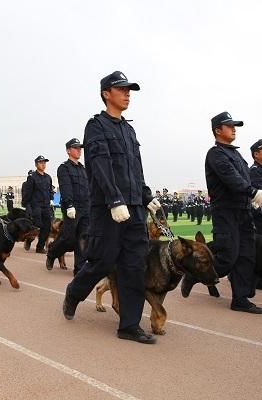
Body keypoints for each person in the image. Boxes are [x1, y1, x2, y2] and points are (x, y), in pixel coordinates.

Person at [62, 71, 162, 344]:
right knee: (103, 260)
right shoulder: (96, 126)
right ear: (107, 93)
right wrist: (115, 199)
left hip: (134, 209)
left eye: (129, 90)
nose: (127, 94)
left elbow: (136, 170)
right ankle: (74, 292)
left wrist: (145, 196)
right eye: (122, 89)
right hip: (109, 208)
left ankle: (129, 325)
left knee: (134, 265)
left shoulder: (129, 130)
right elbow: (100, 165)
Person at [181, 111, 262, 314]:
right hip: (226, 212)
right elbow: (231, 178)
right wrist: (252, 192)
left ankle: (240, 298)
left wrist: (252, 199)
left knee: (246, 256)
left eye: (234, 126)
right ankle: (195, 274)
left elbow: (244, 180)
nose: (234, 129)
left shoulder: (237, 154)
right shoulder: (216, 154)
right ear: (218, 130)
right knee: (228, 256)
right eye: (229, 126)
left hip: (243, 211)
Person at [46, 138, 89, 275]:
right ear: (68, 150)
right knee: (68, 238)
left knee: (82, 238)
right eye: (75, 148)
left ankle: (79, 269)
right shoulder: (64, 168)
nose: (79, 150)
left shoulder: (83, 169)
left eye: (80, 148)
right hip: (72, 208)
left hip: (85, 207)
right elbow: (66, 187)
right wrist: (70, 204)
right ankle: (52, 252)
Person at [21, 155, 53, 254]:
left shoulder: (48, 177)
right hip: (36, 206)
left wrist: (51, 199)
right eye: (41, 162)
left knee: (47, 227)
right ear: (36, 164)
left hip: (46, 206)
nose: (43, 164)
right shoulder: (32, 178)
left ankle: (40, 247)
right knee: (37, 227)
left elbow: (50, 190)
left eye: (44, 163)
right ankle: (29, 239)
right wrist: (27, 206)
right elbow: (28, 193)